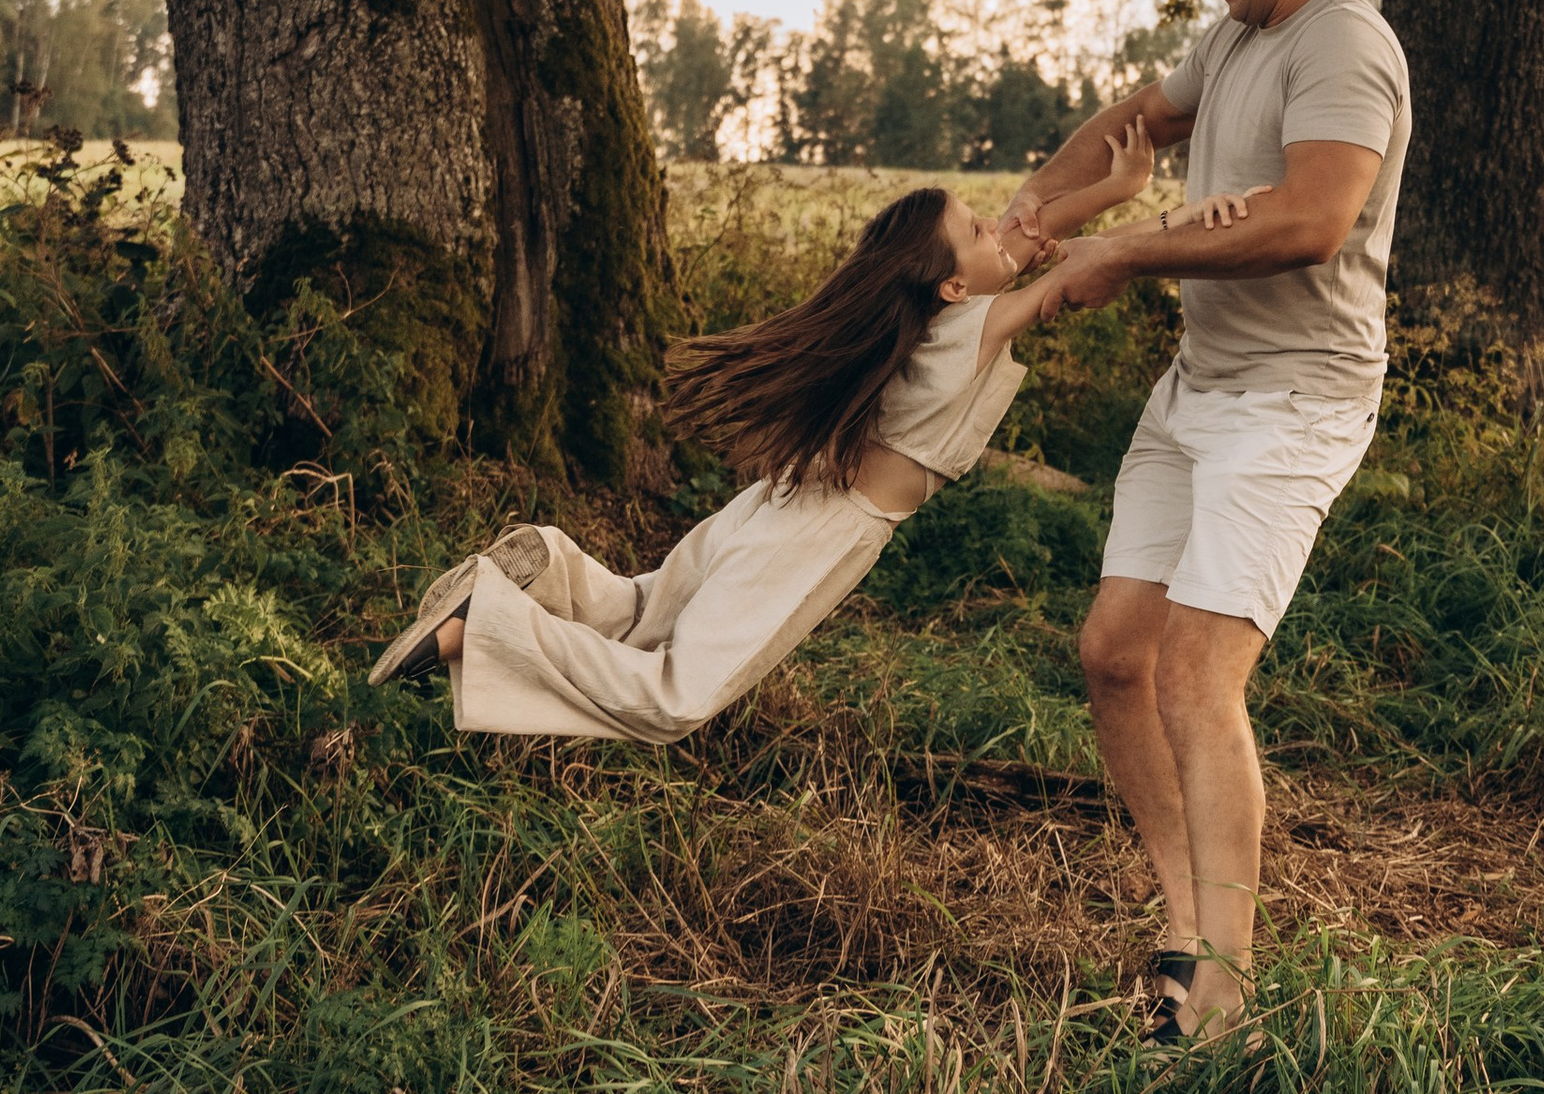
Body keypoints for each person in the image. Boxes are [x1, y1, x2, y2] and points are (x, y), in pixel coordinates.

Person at [368, 129, 1249, 748]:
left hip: (781, 502)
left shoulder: (942, 314)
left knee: (641, 612)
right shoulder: (971, 328)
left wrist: (1116, 188)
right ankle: (482, 626)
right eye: (977, 231)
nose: (1003, 230)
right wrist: (1167, 222)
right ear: (948, 285)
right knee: (678, 695)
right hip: (823, 531)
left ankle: (548, 568)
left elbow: (1032, 237)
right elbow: (1079, 261)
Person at [993, 0, 1410, 1049]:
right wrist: (1021, 223)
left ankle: (1223, 995)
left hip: (1295, 399)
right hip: (1199, 387)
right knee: (1115, 653)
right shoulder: (1231, 36)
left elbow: (1310, 221)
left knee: (1193, 671)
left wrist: (1126, 249)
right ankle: (1185, 927)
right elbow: (1135, 123)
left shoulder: (1344, 46)